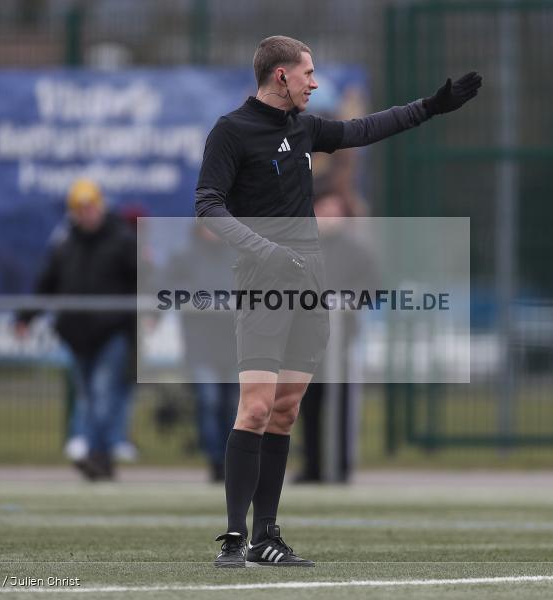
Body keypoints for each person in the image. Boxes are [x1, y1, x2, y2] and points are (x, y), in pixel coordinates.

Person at [195, 35, 481, 566]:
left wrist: (431, 107)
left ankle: (265, 538)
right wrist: (266, 249)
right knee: (254, 408)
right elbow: (207, 205)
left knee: (284, 411)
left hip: (310, 288)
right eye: (307, 72)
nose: (315, 81)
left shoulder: (304, 127)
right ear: (280, 76)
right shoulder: (231, 131)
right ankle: (234, 539)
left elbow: (363, 129)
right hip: (262, 286)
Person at [16, 179, 136, 481]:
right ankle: (102, 460)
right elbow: (47, 285)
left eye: (90, 206)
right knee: (90, 397)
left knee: (102, 392)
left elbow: (144, 278)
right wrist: (25, 316)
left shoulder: (122, 240)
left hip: (112, 332)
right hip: (77, 336)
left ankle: (97, 455)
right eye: (80, 208)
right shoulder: (65, 245)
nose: (87, 213)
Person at [297, 192, 378, 483]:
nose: (329, 215)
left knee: (341, 405)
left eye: (335, 210)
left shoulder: (357, 251)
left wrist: (347, 301)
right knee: (307, 406)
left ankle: (341, 467)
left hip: (341, 341)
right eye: (323, 209)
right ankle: (312, 467)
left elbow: (372, 286)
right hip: (305, 341)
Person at [167, 224, 239, 483]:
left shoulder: (240, 256)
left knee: (233, 405)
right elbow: (164, 287)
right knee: (208, 401)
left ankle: (233, 459)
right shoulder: (185, 257)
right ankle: (215, 459)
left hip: (235, 346)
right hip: (201, 345)